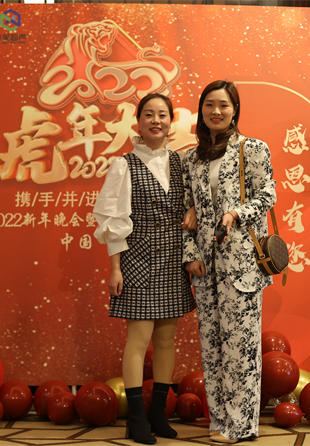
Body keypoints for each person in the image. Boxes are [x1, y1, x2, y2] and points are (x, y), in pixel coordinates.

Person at [93, 93, 196, 444]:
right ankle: (136, 418)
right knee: (138, 341)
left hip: (173, 262)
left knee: (166, 339)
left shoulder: (181, 162)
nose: (156, 120)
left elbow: (195, 202)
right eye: (149, 114)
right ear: (137, 122)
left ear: (171, 122)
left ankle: (157, 413)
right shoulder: (123, 165)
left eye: (162, 115)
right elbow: (113, 220)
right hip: (137, 261)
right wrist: (115, 268)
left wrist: (192, 211)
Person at [182, 80, 277, 444]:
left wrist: (236, 212)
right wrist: (190, 254)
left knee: (241, 348)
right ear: (201, 110)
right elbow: (186, 210)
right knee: (212, 347)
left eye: (223, 105)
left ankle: (241, 426)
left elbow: (267, 194)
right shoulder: (191, 158)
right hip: (205, 269)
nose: (216, 111)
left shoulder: (252, 148)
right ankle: (219, 421)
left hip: (242, 266)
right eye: (209, 105)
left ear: (235, 110)